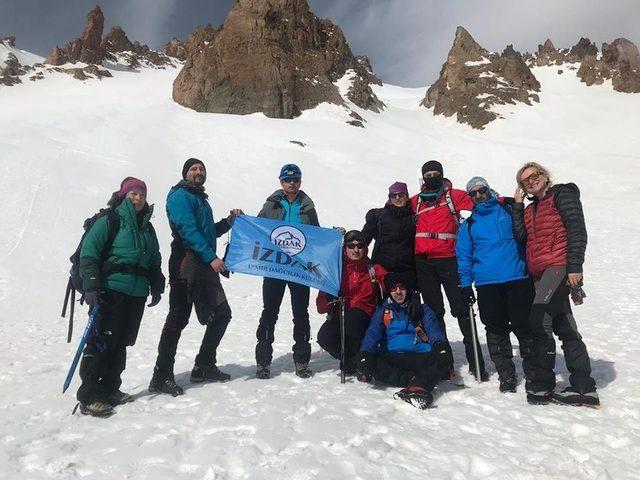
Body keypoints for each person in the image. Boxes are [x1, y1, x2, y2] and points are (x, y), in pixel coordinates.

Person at [149, 158, 242, 396]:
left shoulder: (199, 197)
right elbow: (187, 231)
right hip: (186, 262)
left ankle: (204, 365)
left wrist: (228, 223)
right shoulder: (180, 196)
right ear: (185, 174)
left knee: (221, 314)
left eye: (201, 169)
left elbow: (206, 230)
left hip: (203, 264)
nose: (198, 172)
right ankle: (161, 376)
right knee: (178, 318)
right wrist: (211, 257)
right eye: (193, 169)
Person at [512, 162, 598, 407]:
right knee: (564, 325)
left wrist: (574, 267)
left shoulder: (562, 194)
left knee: (539, 322)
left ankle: (543, 384)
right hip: (540, 274)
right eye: (525, 180)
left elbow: (577, 229)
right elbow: (522, 237)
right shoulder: (530, 209)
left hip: (559, 267)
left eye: (534, 175)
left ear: (544, 176)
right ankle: (583, 386)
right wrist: (518, 207)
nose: (531, 181)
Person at [77, 177, 165, 417]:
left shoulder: (147, 227)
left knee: (120, 342)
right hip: (110, 290)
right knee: (101, 341)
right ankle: (90, 396)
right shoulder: (110, 219)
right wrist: (92, 286)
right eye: (134, 193)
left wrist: (157, 282)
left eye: (142, 194)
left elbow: (154, 258)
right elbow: (90, 252)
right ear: (124, 195)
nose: (138, 198)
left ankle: (111, 388)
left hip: (135, 293)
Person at [456, 176, 535, 393]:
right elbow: (464, 257)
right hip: (487, 284)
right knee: (495, 330)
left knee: (524, 327)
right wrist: (465, 285)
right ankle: (506, 376)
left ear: (489, 190)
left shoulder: (508, 210)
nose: (479, 196)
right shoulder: (469, 225)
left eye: (481, 191)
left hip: (517, 279)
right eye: (473, 193)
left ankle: (534, 374)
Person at [411, 160, 488, 380]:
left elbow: (481, 202)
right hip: (424, 264)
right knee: (434, 314)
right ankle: (444, 362)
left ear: (442, 175)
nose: (432, 177)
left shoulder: (453, 195)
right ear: (423, 177)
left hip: (449, 259)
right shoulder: (416, 201)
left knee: (462, 310)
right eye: (428, 174)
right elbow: (395, 211)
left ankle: (476, 362)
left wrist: (506, 202)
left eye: (436, 173)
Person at [254, 164, 320, 379]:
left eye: (296, 179)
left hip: (299, 269)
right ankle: (263, 361)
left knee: (300, 313)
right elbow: (257, 228)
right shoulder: (271, 205)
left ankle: (301, 360)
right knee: (269, 312)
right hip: (274, 267)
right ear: (281, 182)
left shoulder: (307, 207)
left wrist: (335, 235)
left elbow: (316, 235)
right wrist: (239, 218)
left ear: (300, 182)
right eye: (288, 179)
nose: (292, 183)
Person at [357, 273, 452, 409]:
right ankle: (415, 381)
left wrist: (439, 345)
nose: (398, 292)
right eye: (394, 289)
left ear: (408, 289)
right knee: (371, 360)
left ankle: (417, 385)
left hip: (420, 356)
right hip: (392, 357)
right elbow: (373, 333)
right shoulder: (383, 311)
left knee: (444, 357)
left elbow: (433, 329)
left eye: (401, 288)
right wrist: (365, 353)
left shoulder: (422, 309)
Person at [316, 230, 387, 374]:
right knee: (325, 336)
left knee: (353, 317)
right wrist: (329, 299)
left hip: (365, 320)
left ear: (365, 248)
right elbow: (320, 307)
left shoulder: (374, 270)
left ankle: (360, 359)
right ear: (345, 248)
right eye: (351, 246)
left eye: (360, 245)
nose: (355, 249)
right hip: (339, 318)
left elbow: (393, 288)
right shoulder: (335, 272)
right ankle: (352, 359)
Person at [361, 181, 415, 275]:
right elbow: (363, 240)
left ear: (406, 196)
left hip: (407, 270)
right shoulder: (378, 216)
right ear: (390, 198)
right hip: (382, 270)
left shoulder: (414, 217)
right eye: (394, 196)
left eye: (401, 195)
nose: (397, 198)